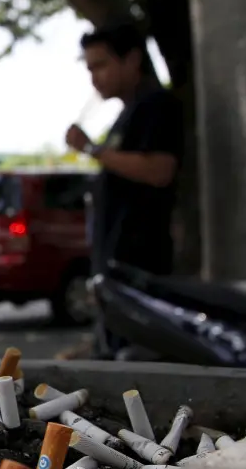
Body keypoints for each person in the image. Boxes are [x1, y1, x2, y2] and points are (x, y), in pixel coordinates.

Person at [64, 23, 183, 357]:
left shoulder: (156, 106)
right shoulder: (127, 114)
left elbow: (159, 170)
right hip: (115, 267)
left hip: (138, 266)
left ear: (131, 60)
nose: (95, 77)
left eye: (101, 65)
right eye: (89, 69)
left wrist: (93, 149)